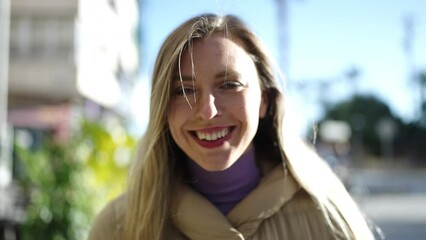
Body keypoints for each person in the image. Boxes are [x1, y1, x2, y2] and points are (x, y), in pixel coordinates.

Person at [88, 14, 375, 240]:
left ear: (264, 99)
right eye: (184, 90)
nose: (207, 111)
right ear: (163, 109)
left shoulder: (326, 216)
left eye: (229, 85)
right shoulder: (119, 227)